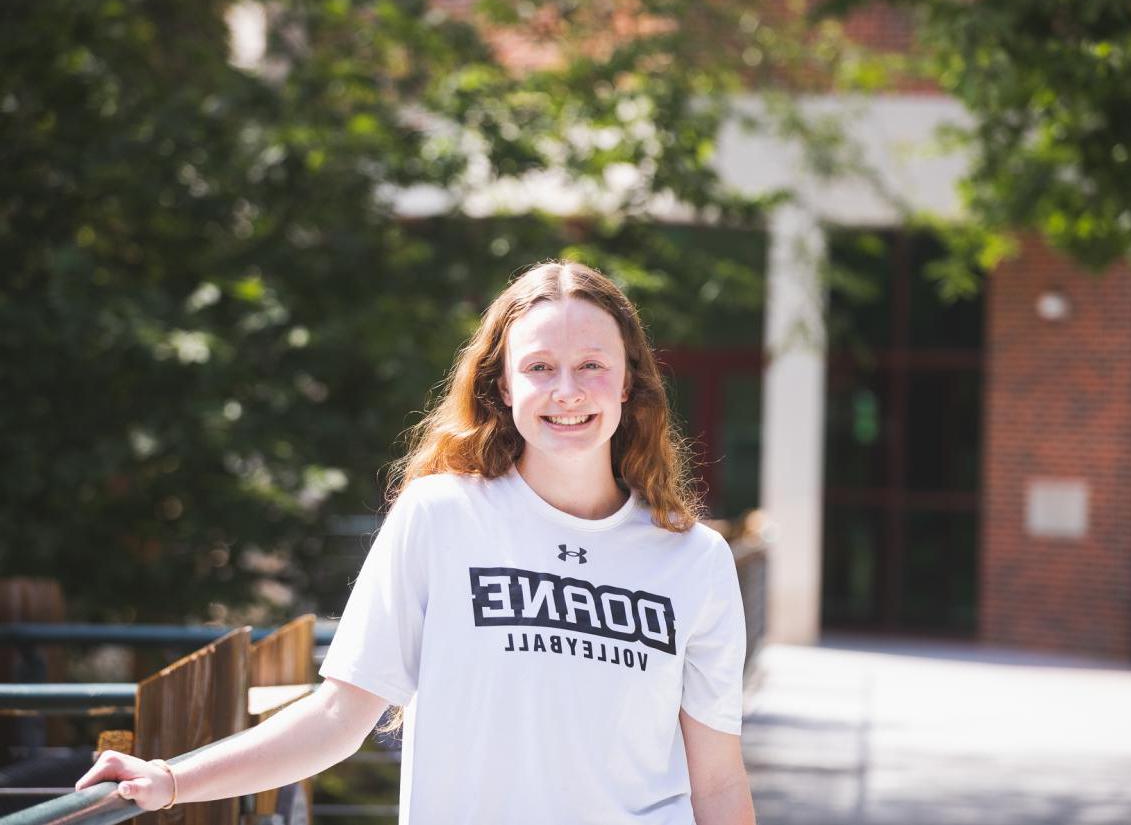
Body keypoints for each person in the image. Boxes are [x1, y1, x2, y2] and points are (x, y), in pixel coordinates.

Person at [76, 260, 756, 824]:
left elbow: (718, 782)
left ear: (631, 380)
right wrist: (168, 779)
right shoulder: (441, 517)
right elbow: (338, 716)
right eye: (541, 366)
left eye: (591, 366)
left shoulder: (694, 560)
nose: (567, 391)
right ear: (503, 385)